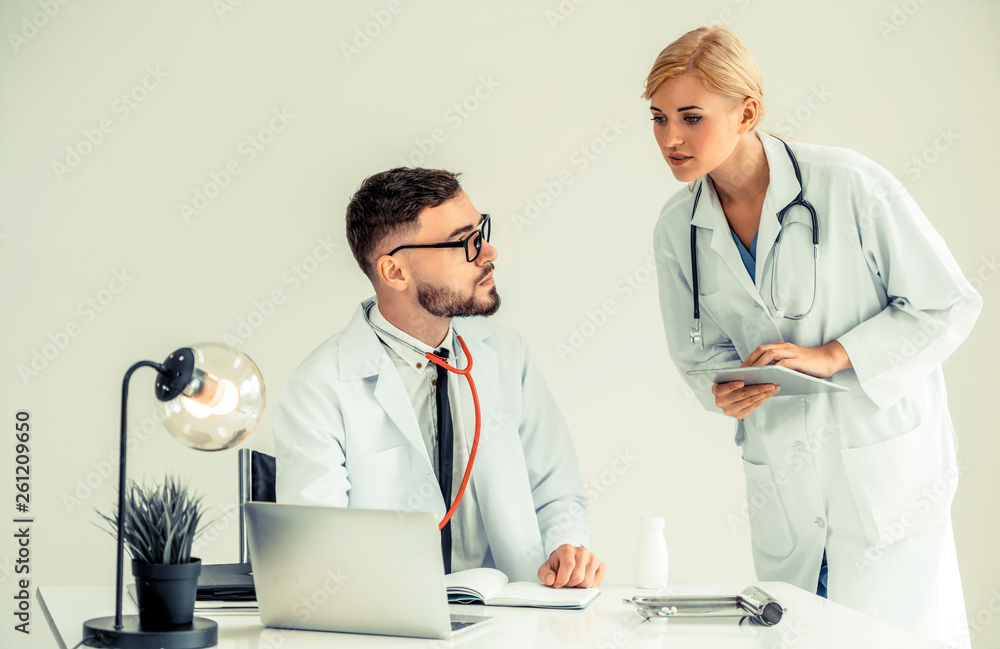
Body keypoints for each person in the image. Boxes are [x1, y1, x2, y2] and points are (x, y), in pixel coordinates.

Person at [645, 26, 981, 648]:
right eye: (659, 118)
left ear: (748, 112)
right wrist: (721, 389)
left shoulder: (849, 185)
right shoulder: (678, 228)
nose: (670, 139)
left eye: (691, 117)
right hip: (783, 474)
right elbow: (696, 354)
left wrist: (834, 355)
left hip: (882, 470)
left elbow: (947, 304)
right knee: (798, 632)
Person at [272, 167, 605, 588]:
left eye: (480, 231)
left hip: (509, 616)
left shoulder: (506, 354)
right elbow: (316, 549)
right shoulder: (317, 389)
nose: (489, 253)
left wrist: (566, 546)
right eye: (463, 242)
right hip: (389, 625)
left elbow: (556, 490)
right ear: (395, 273)